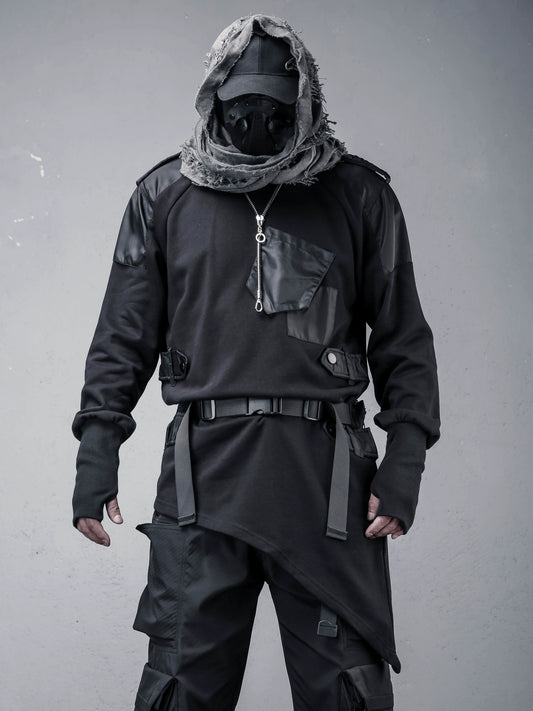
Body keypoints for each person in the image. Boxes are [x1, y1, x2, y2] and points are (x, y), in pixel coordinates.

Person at [72, 13, 440, 711]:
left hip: (325, 482)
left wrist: (406, 462)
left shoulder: (357, 194)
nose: (256, 121)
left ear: (302, 100)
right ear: (214, 95)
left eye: (273, 105)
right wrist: (97, 451)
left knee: (346, 690)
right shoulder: (165, 195)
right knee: (180, 685)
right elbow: (122, 334)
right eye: (241, 103)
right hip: (202, 475)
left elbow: (404, 338)